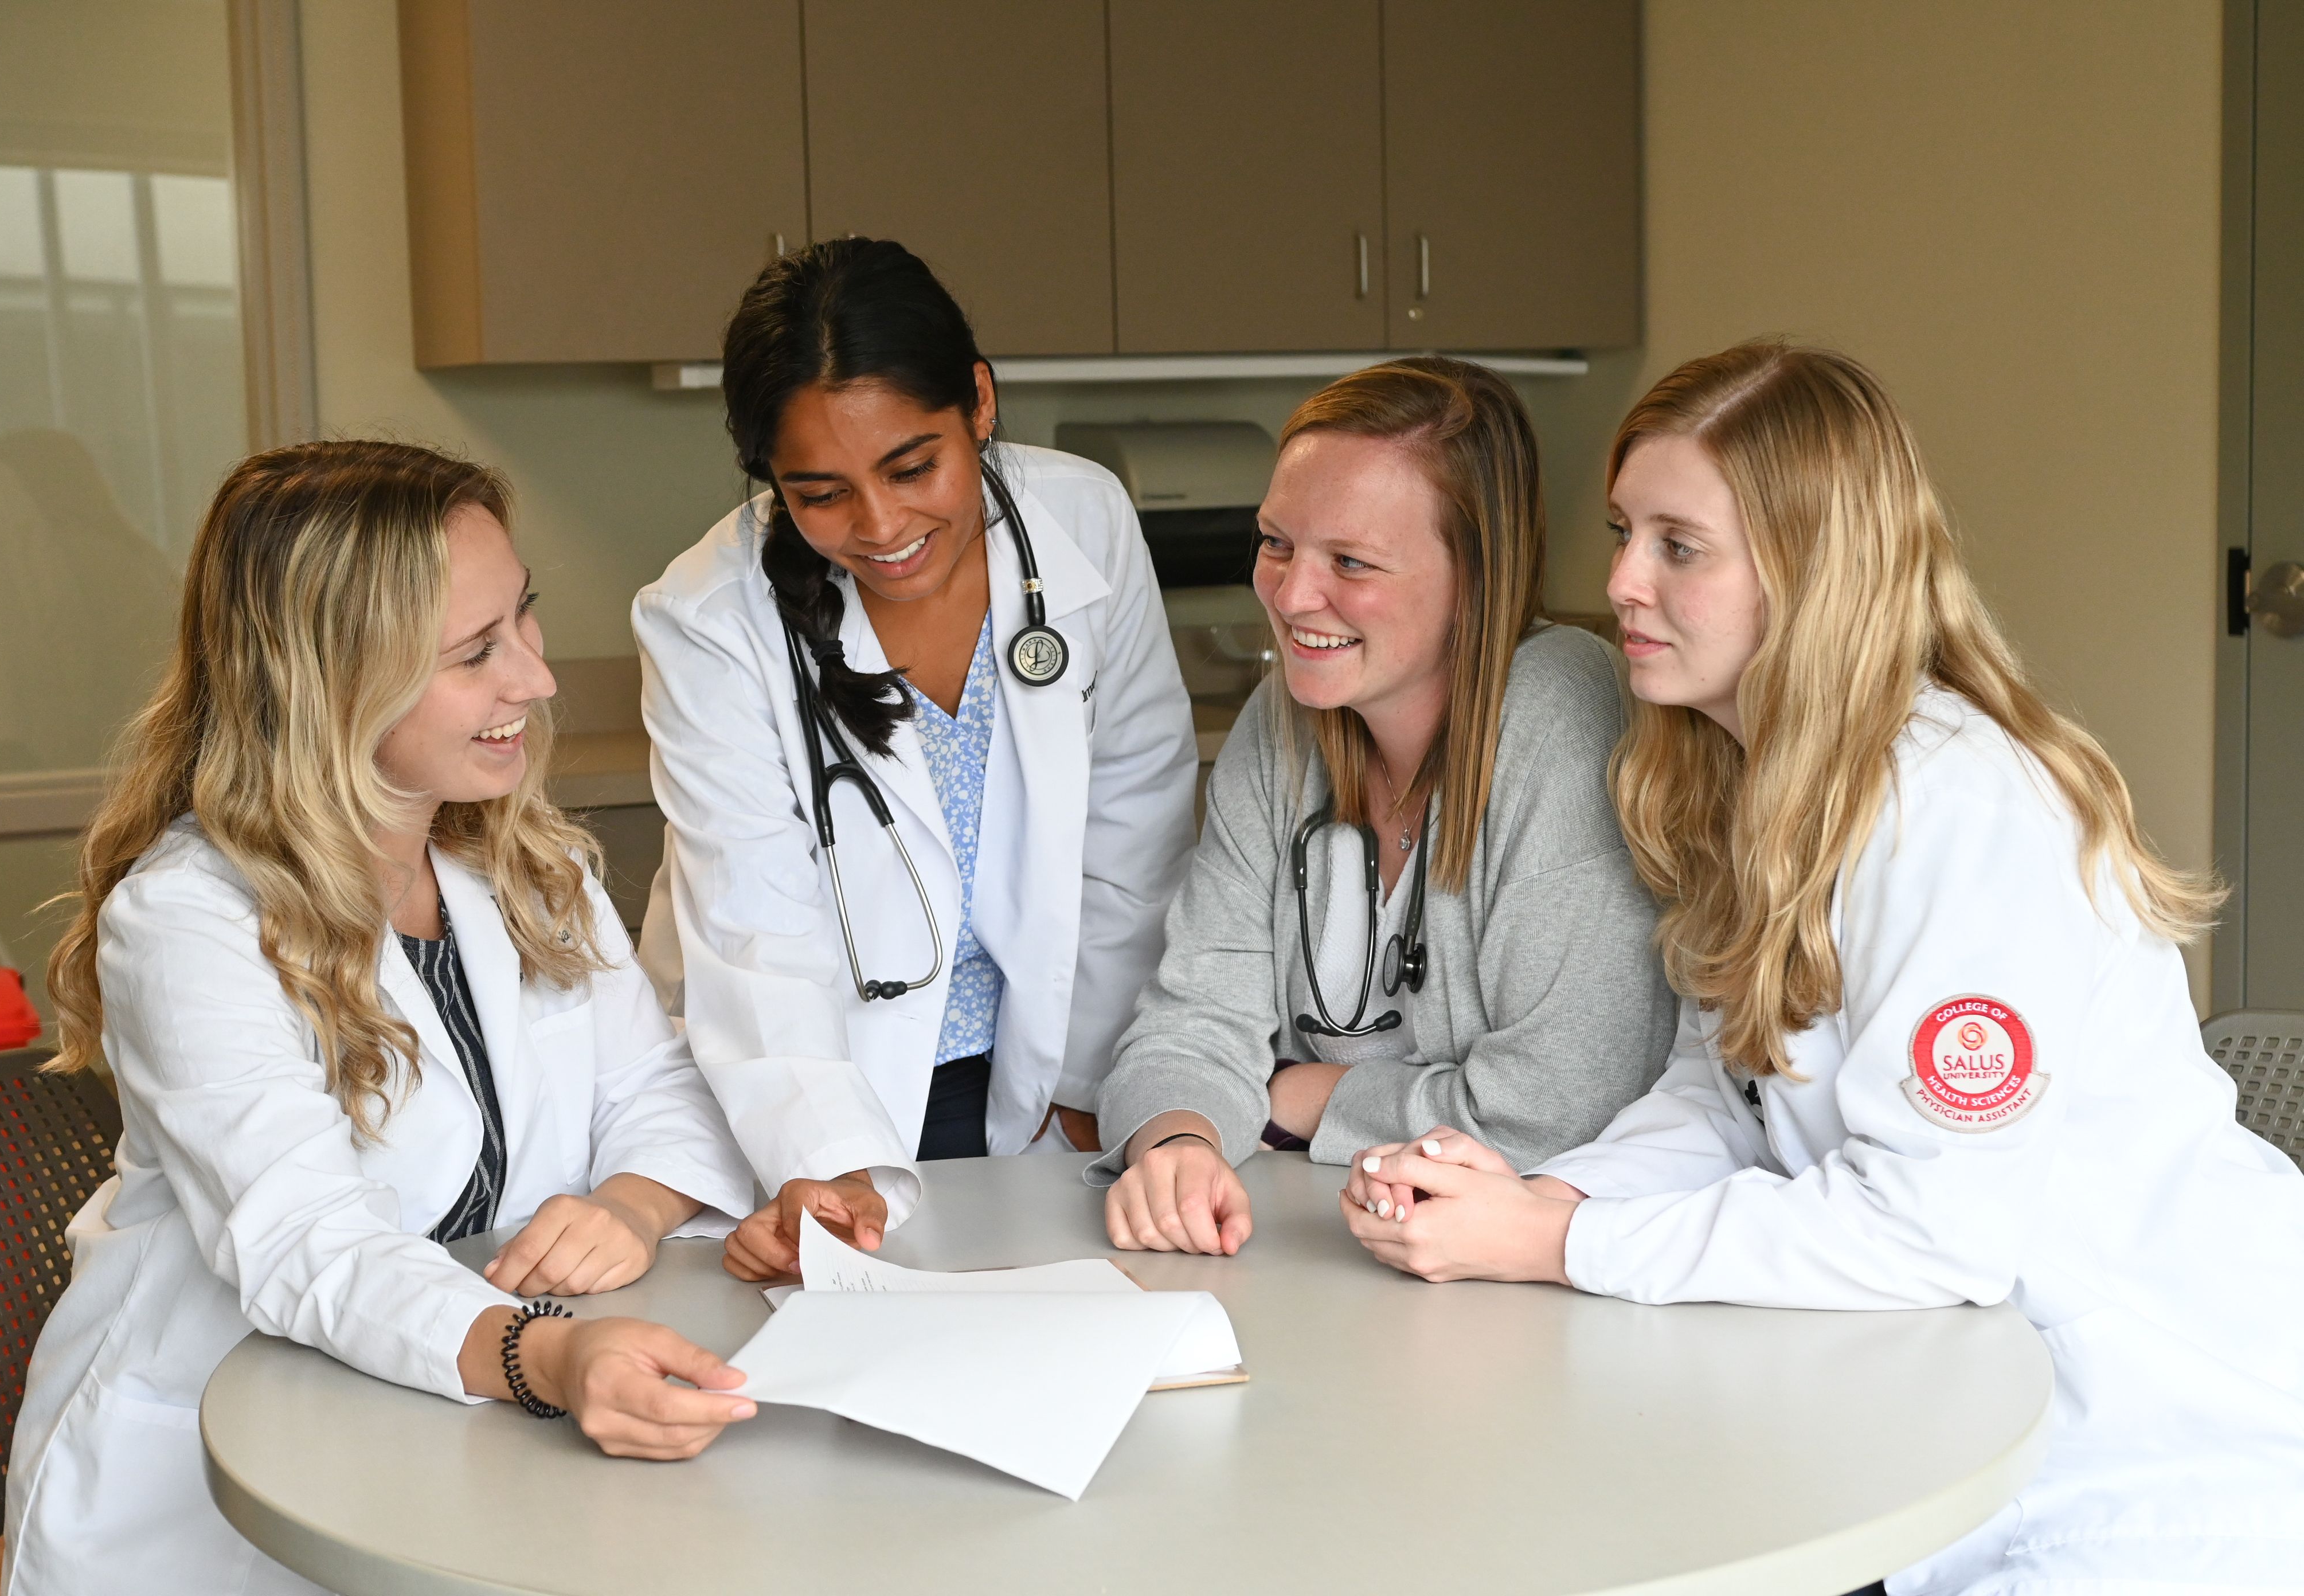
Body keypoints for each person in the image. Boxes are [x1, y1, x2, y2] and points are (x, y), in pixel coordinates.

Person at [1343, 343, 2304, 1592]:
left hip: (2157, 1451)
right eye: (1626, 530)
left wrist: (1559, 1247)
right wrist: (1544, 1200)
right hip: (1934, 1411)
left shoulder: (1958, 811)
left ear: (1810, 573)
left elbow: (1931, 1231)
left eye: (1678, 547)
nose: (1620, 580)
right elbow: (1721, 1100)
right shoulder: (1747, 786)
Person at [2, 442, 761, 1596]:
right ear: (332, 681)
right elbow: (309, 1241)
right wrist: (547, 1353)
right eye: (474, 654)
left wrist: (632, 1205)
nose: (536, 681)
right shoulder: (189, 923)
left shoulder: (519, 857)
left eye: (525, 622)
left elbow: (659, 1091)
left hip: (460, 1444)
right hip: (231, 1483)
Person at [635, 238, 1196, 1280]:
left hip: (1052, 1070)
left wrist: (1088, 1084)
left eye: (912, 467)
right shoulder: (709, 621)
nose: (882, 526)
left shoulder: (1085, 522)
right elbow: (756, 932)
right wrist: (831, 1160)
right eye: (821, 494)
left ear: (978, 404)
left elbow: (1138, 826)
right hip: (823, 1084)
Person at [1093, 357, 1678, 1255]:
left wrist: (1295, 1093)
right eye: (1276, 542)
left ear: (1478, 574)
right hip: (1315, 1246)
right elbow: (1193, 1019)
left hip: (1525, 1283)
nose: (1291, 598)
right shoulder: (1285, 719)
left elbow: (1561, 1108)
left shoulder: (1565, 714)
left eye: (1352, 562)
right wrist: (1179, 1139)